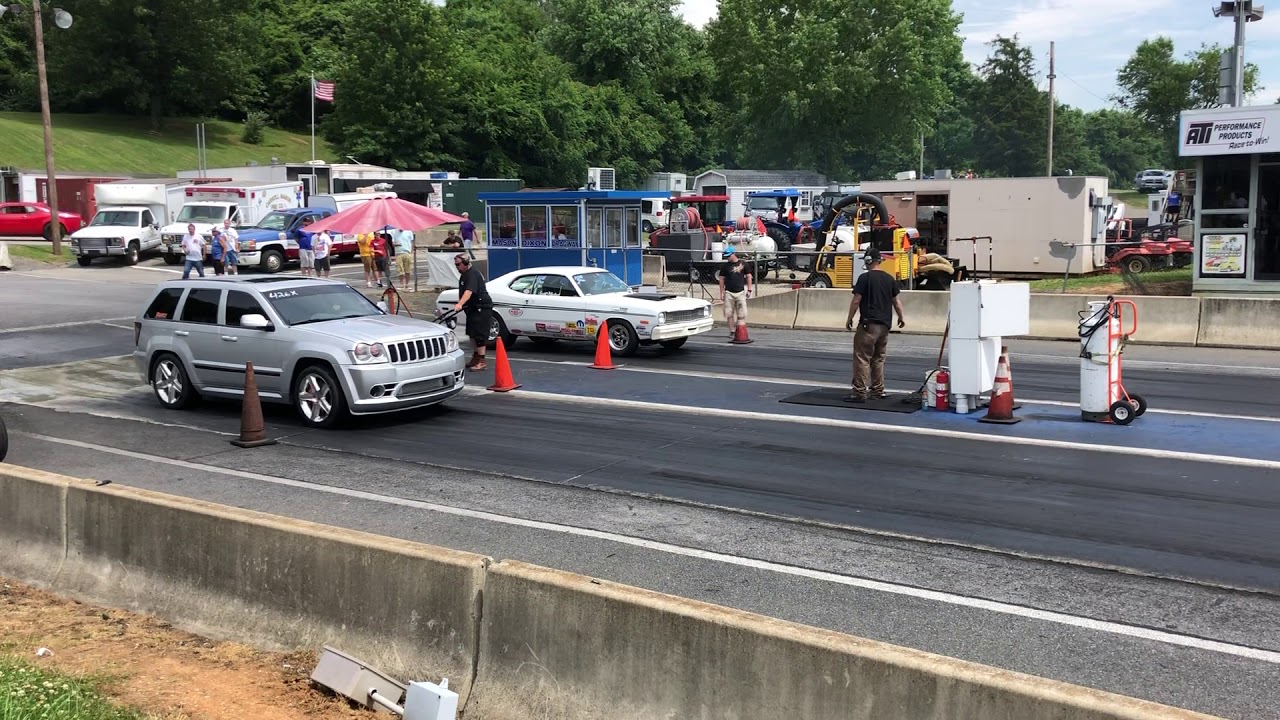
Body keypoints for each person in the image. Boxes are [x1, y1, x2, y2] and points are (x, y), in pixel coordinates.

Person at [844, 248, 906, 403]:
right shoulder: (889, 279)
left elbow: (856, 300)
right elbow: (896, 302)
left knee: (862, 358)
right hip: (885, 325)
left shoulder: (864, 278)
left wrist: (850, 318)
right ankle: (878, 390)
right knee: (878, 358)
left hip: (868, 325)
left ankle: (859, 393)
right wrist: (901, 317)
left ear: (868, 261)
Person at [451, 254, 493, 371]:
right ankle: (476, 356)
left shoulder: (472, 274)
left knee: (479, 335)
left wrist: (459, 304)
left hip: (481, 307)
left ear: (465, 263)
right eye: (456, 265)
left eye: (458, 265)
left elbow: (469, 292)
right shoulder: (464, 275)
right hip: (472, 307)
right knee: (472, 333)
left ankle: (482, 360)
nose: (457, 267)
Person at [718, 246, 752, 338]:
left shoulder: (743, 264)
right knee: (729, 313)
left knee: (742, 313)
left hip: (740, 292)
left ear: (733, 254)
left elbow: (749, 276)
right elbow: (721, 279)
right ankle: (732, 331)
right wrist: (721, 293)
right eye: (726, 256)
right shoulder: (725, 266)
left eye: (729, 256)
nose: (728, 258)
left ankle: (740, 329)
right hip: (729, 292)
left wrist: (749, 289)